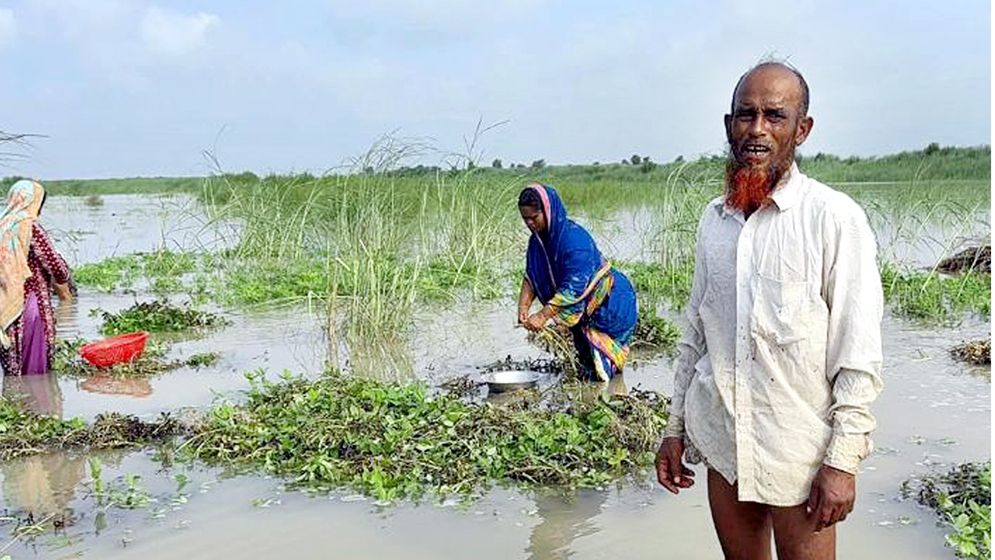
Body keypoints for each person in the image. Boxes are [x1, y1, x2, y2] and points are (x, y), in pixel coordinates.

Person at [655, 61, 883, 560]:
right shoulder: (714, 222)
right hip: (723, 443)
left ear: (802, 130)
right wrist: (675, 430)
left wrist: (842, 462)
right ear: (728, 125)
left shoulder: (834, 219)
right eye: (746, 115)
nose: (757, 129)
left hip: (799, 455)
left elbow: (858, 354)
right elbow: (696, 334)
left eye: (775, 116)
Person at [517, 183, 637, 382]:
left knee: (605, 364)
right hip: (585, 313)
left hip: (611, 303)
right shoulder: (536, 242)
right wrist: (523, 306)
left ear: (548, 211)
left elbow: (573, 288)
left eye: (533, 217)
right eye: (525, 218)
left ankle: (611, 395)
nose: (529, 223)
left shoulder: (574, 239)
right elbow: (531, 275)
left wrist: (542, 316)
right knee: (587, 366)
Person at [0, 179, 74, 376]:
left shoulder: (3, 224)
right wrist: (66, 276)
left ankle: (14, 402)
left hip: (6, 304)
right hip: (30, 302)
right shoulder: (29, 226)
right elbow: (54, 264)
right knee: (34, 369)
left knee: (13, 364)